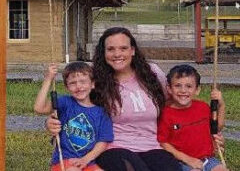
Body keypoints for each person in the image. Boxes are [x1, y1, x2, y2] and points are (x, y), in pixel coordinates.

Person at [47, 27, 181, 171]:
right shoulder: (97, 80)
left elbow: (170, 102)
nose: (117, 54)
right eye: (111, 49)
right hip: (113, 147)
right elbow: (75, 107)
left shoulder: (152, 73)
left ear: (133, 50)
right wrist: (50, 121)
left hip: (151, 145)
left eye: (123, 48)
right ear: (103, 53)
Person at [35, 62, 113, 171]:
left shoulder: (102, 113)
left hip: (88, 162)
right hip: (65, 161)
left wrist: (85, 159)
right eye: (72, 83)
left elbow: (103, 142)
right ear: (67, 87)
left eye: (83, 82)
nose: (78, 87)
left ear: (92, 84)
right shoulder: (65, 102)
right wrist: (48, 79)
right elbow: (39, 108)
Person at [157, 64, 228, 171]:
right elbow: (163, 143)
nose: (183, 90)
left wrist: (221, 105)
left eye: (189, 86)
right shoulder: (166, 114)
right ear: (169, 89)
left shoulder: (203, 107)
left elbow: (217, 127)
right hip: (182, 162)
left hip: (208, 159)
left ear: (197, 90)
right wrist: (188, 159)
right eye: (178, 85)